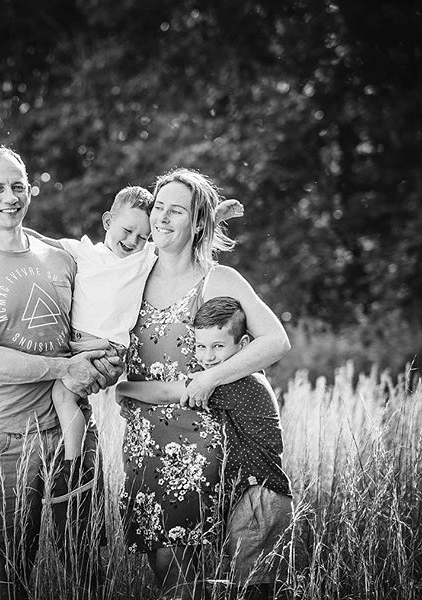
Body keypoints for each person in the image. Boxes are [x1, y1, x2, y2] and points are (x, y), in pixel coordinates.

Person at [0, 146, 123, 599]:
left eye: (18, 186)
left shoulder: (60, 256)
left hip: (73, 436)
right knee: (13, 569)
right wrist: (65, 367)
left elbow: (90, 333)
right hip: (7, 442)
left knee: (86, 568)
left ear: (30, 190)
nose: (9, 197)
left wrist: (106, 365)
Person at [114, 168, 290, 600]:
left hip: (209, 445)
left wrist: (211, 375)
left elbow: (275, 341)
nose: (162, 218)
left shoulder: (218, 279)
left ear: (197, 224)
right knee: (168, 575)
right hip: (147, 442)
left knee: (224, 578)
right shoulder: (130, 275)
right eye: (158, 207)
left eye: (177, 211)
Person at [26, 186, 242, 477]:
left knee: (62, 396)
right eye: (127, 231)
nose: (132, 241)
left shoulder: (144, 260)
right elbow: (44, 241)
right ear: (107, 222)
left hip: (106, 349)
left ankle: (71, 465)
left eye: (143, 237)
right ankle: (71, 459)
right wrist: (14, 231)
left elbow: (187, 235)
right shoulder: (85, 251)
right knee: (64, 395)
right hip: (75, 346)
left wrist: (218, 215)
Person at [193, 297, 293, 600]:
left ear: (244, 342)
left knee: (254, 589)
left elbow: (173, 393)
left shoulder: (238, 382)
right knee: (255, 584)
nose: (208, 357)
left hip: (259, 498)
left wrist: (123, 388)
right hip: (256, 495)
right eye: (201, 346)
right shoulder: (241, 378)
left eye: (218, 346)